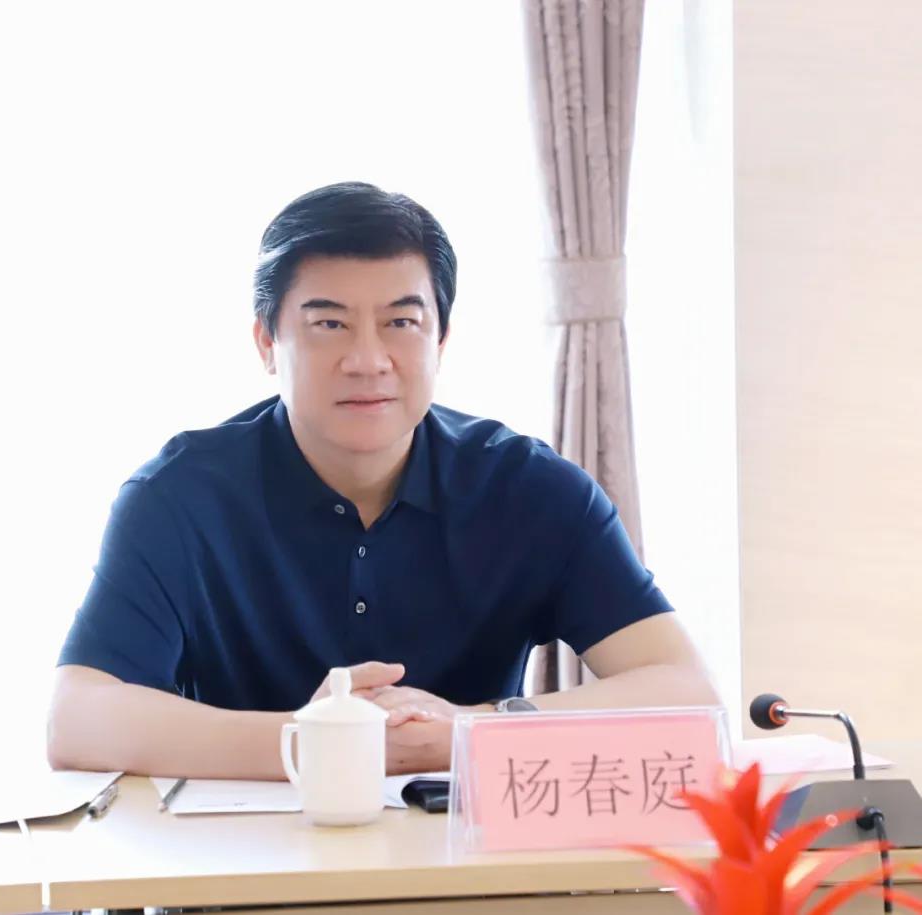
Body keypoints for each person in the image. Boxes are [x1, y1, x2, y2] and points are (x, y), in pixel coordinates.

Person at [47, 182, 717, 779]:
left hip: (468, 861)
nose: (368, 360)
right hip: (240, 861)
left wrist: (468, 730)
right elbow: (77, 719)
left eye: (401, 322)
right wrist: (309, 741)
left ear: (440, 340)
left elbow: (687, 691)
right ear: (267, 343)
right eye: (329, 324)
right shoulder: (179, 497)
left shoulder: (532, 489)